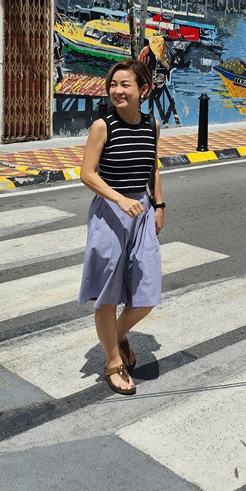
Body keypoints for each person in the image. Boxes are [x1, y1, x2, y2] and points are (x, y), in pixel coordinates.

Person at [79, 59, 166, 396]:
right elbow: (87, 174)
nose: (117, 90)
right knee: (108, 294)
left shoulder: (151, 125)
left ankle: (115, 335)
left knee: (147, 292)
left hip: (141, 213)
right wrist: (119, 199)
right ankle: (113, 361)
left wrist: (159, 205)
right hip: (110, 214)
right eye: (113, 84)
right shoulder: (103, 126)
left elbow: (152, 168)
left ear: (144, 90)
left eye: (125, 84)